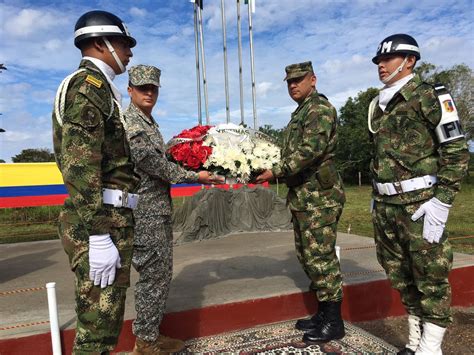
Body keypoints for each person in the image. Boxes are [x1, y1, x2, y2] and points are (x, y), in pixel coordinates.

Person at [368, 34, 469, 355]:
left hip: (419, 204)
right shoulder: (381, 103)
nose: (381, 65)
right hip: (385, 205)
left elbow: (456, 151)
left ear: (409, 61)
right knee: (399, 274)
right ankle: (414, 342)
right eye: (379, 61)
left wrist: (442, 201)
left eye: (388, 59)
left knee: (430, 276)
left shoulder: (430, 96)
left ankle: (431, 348)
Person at [52, 10, 139, 354]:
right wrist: (99, 234)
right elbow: (80, 166)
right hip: (99, 221)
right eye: (123, 43)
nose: (130, 52)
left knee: (107, 320)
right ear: (101, 43)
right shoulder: (87, 88)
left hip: (110, 217)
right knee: (96, 328)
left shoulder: (103, 90)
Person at [123, 65, 223, 354]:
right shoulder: (132, 124)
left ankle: (150, 334)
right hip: (145, 214)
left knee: (159, 275)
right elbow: (153, 165)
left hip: (156, 212)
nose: (149, 93)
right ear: (130, 90)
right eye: (143, 88)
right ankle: (145, 341)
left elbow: (163, 157)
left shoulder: (149, 122)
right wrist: (197, 175)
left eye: (153, 88)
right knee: (154, 277)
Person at [255, 61, 346, 344]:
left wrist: (275, 171)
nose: (293, 85)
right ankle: (322, 313)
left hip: (320, 197)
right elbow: (291, 150)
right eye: (289, 82)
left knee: (321, 258)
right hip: (305, 197)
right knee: (308, 257)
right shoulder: (302, 112)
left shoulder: (319, 109)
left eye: (298, 80)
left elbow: (310, 150)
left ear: (313, 80)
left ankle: (334, 321)